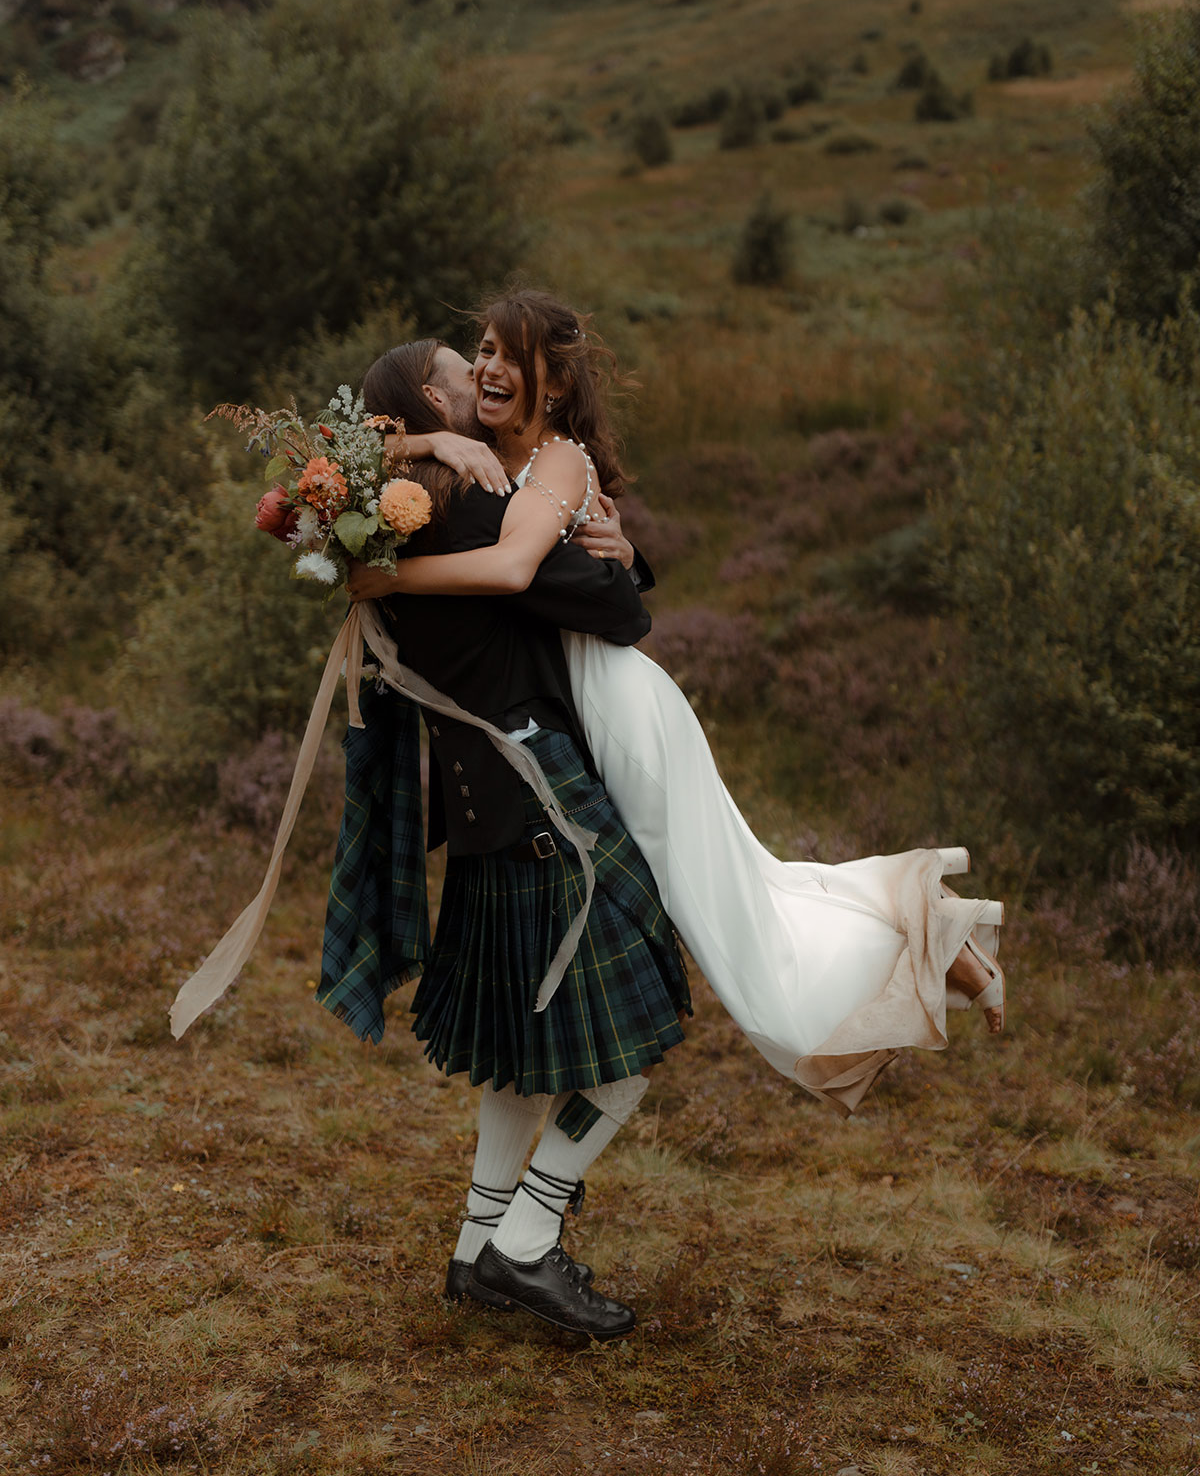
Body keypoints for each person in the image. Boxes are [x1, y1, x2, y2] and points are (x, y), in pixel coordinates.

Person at [348, 290, 1006, 1124]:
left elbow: (515, 571)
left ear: (555, 382)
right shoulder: (478, 459)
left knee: (722, 904)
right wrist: (430, 439)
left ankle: (933, 937)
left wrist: (388, 575)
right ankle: (927, 930)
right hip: (577, 702)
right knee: (737, 881)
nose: (487, 369)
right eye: (480, 351)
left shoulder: (556, 459)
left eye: (509, 355)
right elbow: (353, 451)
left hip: (618, 704)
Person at [335, 336, 691, 1341]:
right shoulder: (473, 510)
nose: (481, 384)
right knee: (632, 1044)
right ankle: (525, 1245)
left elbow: (335, 456)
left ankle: (474, 1252)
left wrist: (419, 449)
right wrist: (617, 556)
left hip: (487, 807)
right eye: (463, 371)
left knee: (516, 1059)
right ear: (433, 399)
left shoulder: (388, 517)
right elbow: (617, 610)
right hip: (543, 801)